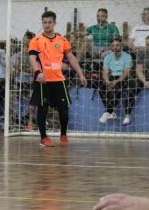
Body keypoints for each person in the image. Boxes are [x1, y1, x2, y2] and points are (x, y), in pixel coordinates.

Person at [28, 10, 88, 147]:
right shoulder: (36, 40)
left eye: (50, 22)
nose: (47, 25)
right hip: (43, 80)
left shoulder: (62, 40)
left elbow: (71, 58)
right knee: (43, 108)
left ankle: (63, 134)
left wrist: (80, 74)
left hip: (59, 80)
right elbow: (32, 58)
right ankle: (43, 138)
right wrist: (38, 73)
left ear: (55, 23)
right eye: (44, 22)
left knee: (64, 109)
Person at [98, 36, 135, 126]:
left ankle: (120, 114)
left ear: (121, 45)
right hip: (111, 78)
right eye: (113, 45)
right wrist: (107, 81)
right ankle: (110, 112)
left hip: (123, 78)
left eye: (117, 45)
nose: (115, 48)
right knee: (101, 85)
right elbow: (105, 72)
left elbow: (126, 73)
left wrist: (116, 81)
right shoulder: (108, 57)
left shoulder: (127, 56)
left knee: (131, 86)